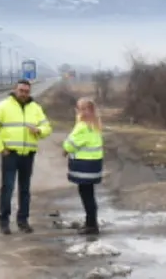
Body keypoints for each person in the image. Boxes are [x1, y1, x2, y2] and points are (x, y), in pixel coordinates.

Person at [0, 79, 52, 234]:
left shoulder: (35, 108)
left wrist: (39, 131)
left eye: (27, 91)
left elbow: (47, 127)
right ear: (15, 90)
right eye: (21, 90)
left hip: (28, 154)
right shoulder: (2, 107)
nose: (24, 94)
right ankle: (4, 221)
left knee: (25, 189)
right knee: (7, 187)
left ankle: (23, 221)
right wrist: (0, 148)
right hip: (10, 154)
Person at [62, 97, 105, 235]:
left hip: (84, 166)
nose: (78, 111)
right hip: (93, 165)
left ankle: (91, 225)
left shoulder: (82, 126)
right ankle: (91, 222)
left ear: (87, 110)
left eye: (80, 109)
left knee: (86, 195)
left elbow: (70, 144)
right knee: (89, 194)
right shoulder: (95, 125)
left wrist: (65, 149)